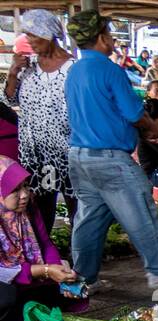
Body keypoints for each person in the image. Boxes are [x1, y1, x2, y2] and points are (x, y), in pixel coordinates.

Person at [63, 11, 158, 291]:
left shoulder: (74, 71)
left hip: (80, 157)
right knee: (141, 206)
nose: (111, 40)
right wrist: (152, 130)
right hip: (109, 158)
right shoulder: (110, 70)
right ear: (101, 38)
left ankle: (82, 279)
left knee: (90, 219)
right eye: (109, 34)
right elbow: (134, 113)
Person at [3, 11, 76, 234]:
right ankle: (46, 263)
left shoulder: (73, 69)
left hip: (68, 154)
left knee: (77, 211)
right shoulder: (28, 67)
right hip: (35, 156)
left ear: (49, 34)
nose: (30, 41)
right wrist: (13, 73)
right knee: (40, 215)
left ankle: (81, 263)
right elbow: (9, 99)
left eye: (34, 35)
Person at [0, 157, 83, 321]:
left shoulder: (29, 207)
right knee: (7, 297)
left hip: (23, 272)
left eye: (25, 186)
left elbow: (44, 243)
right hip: (5, 278)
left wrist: (58, 269)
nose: (24, 195)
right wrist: (46, 270)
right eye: (15, 190)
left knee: (69, 280)